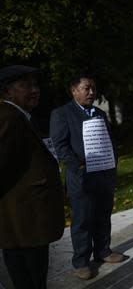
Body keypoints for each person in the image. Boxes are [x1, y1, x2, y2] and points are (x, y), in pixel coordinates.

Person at [49, 73, 127, 280]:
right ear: (74, 91)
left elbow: (110, 141)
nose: (91, 92)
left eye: (93, 87)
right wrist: (79, 166)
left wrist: (112, 163)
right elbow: (61, 146)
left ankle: (103, 251)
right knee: (82, 219)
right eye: (86, 88)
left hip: (104, 174)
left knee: (103, 214)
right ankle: (81, 262)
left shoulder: (99, 114)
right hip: (80, 177)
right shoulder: (62, 114)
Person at [0, 65, 65, 289]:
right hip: (24, 224)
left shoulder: (19, 116)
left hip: (24, 224)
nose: (34, 90)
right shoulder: (9, 117)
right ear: (7, 91)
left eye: (35, 85)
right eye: (25, 85)